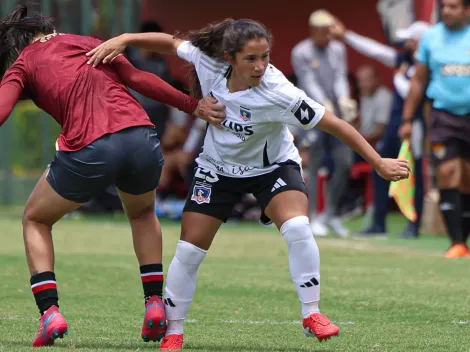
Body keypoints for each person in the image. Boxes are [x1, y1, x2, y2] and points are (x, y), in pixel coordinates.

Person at [87, 18, 410, 351]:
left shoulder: (280, 93)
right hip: (217, 169)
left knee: (299, 227)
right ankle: (174, 331)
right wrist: (125, 37)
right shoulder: (208, 62)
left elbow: (336, 124)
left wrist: (378, 161)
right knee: (189, 251)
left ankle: (312, 313)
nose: (260, 66)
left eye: (265, 57)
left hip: (272, 167)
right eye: (251, 59)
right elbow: (170, 42)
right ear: (229, 58)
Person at [0, 5, 224, 348]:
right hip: (141, 139)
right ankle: (153, 305)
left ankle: (50, 313)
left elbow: (3, 108)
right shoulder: (87, 41)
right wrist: (193, 106)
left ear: (16, 45)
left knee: (35, 218)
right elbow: (138, 79)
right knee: (142, 213)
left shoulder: (23, 62)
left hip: (90, 147)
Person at [330, 19, 429, 238]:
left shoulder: (426, 65)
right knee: (380, 168)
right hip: (394, 126)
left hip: (414, 125)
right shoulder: (402, 60)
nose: (406, 44)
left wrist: (410, 122)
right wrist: (346, 35)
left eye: (410, 40)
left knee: (414, 175)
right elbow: (374, 50)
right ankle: (378, 223)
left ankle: (414, 224)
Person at [400, 0, 470, 257]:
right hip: (443, 116)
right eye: (444, 7)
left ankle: (463, 239)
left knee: (467, 179)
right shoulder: (431, 38)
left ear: (467, 9)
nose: (447, 12)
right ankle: (457, 243)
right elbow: (419, 80)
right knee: (448, 173)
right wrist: (407, 119)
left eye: (453, 7)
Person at [291, 9, 358, 237]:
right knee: (313, 163)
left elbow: (340, 76)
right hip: (310, 111)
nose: (328, 35)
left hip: (335, 112)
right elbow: (308, 82)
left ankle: (330, 215)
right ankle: (311, 216)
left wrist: (343, 98)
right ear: (313, 30)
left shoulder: (338, 49)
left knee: (344, 162)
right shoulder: (301, 52)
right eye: (323, 31)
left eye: (330, 30)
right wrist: (324, 103)